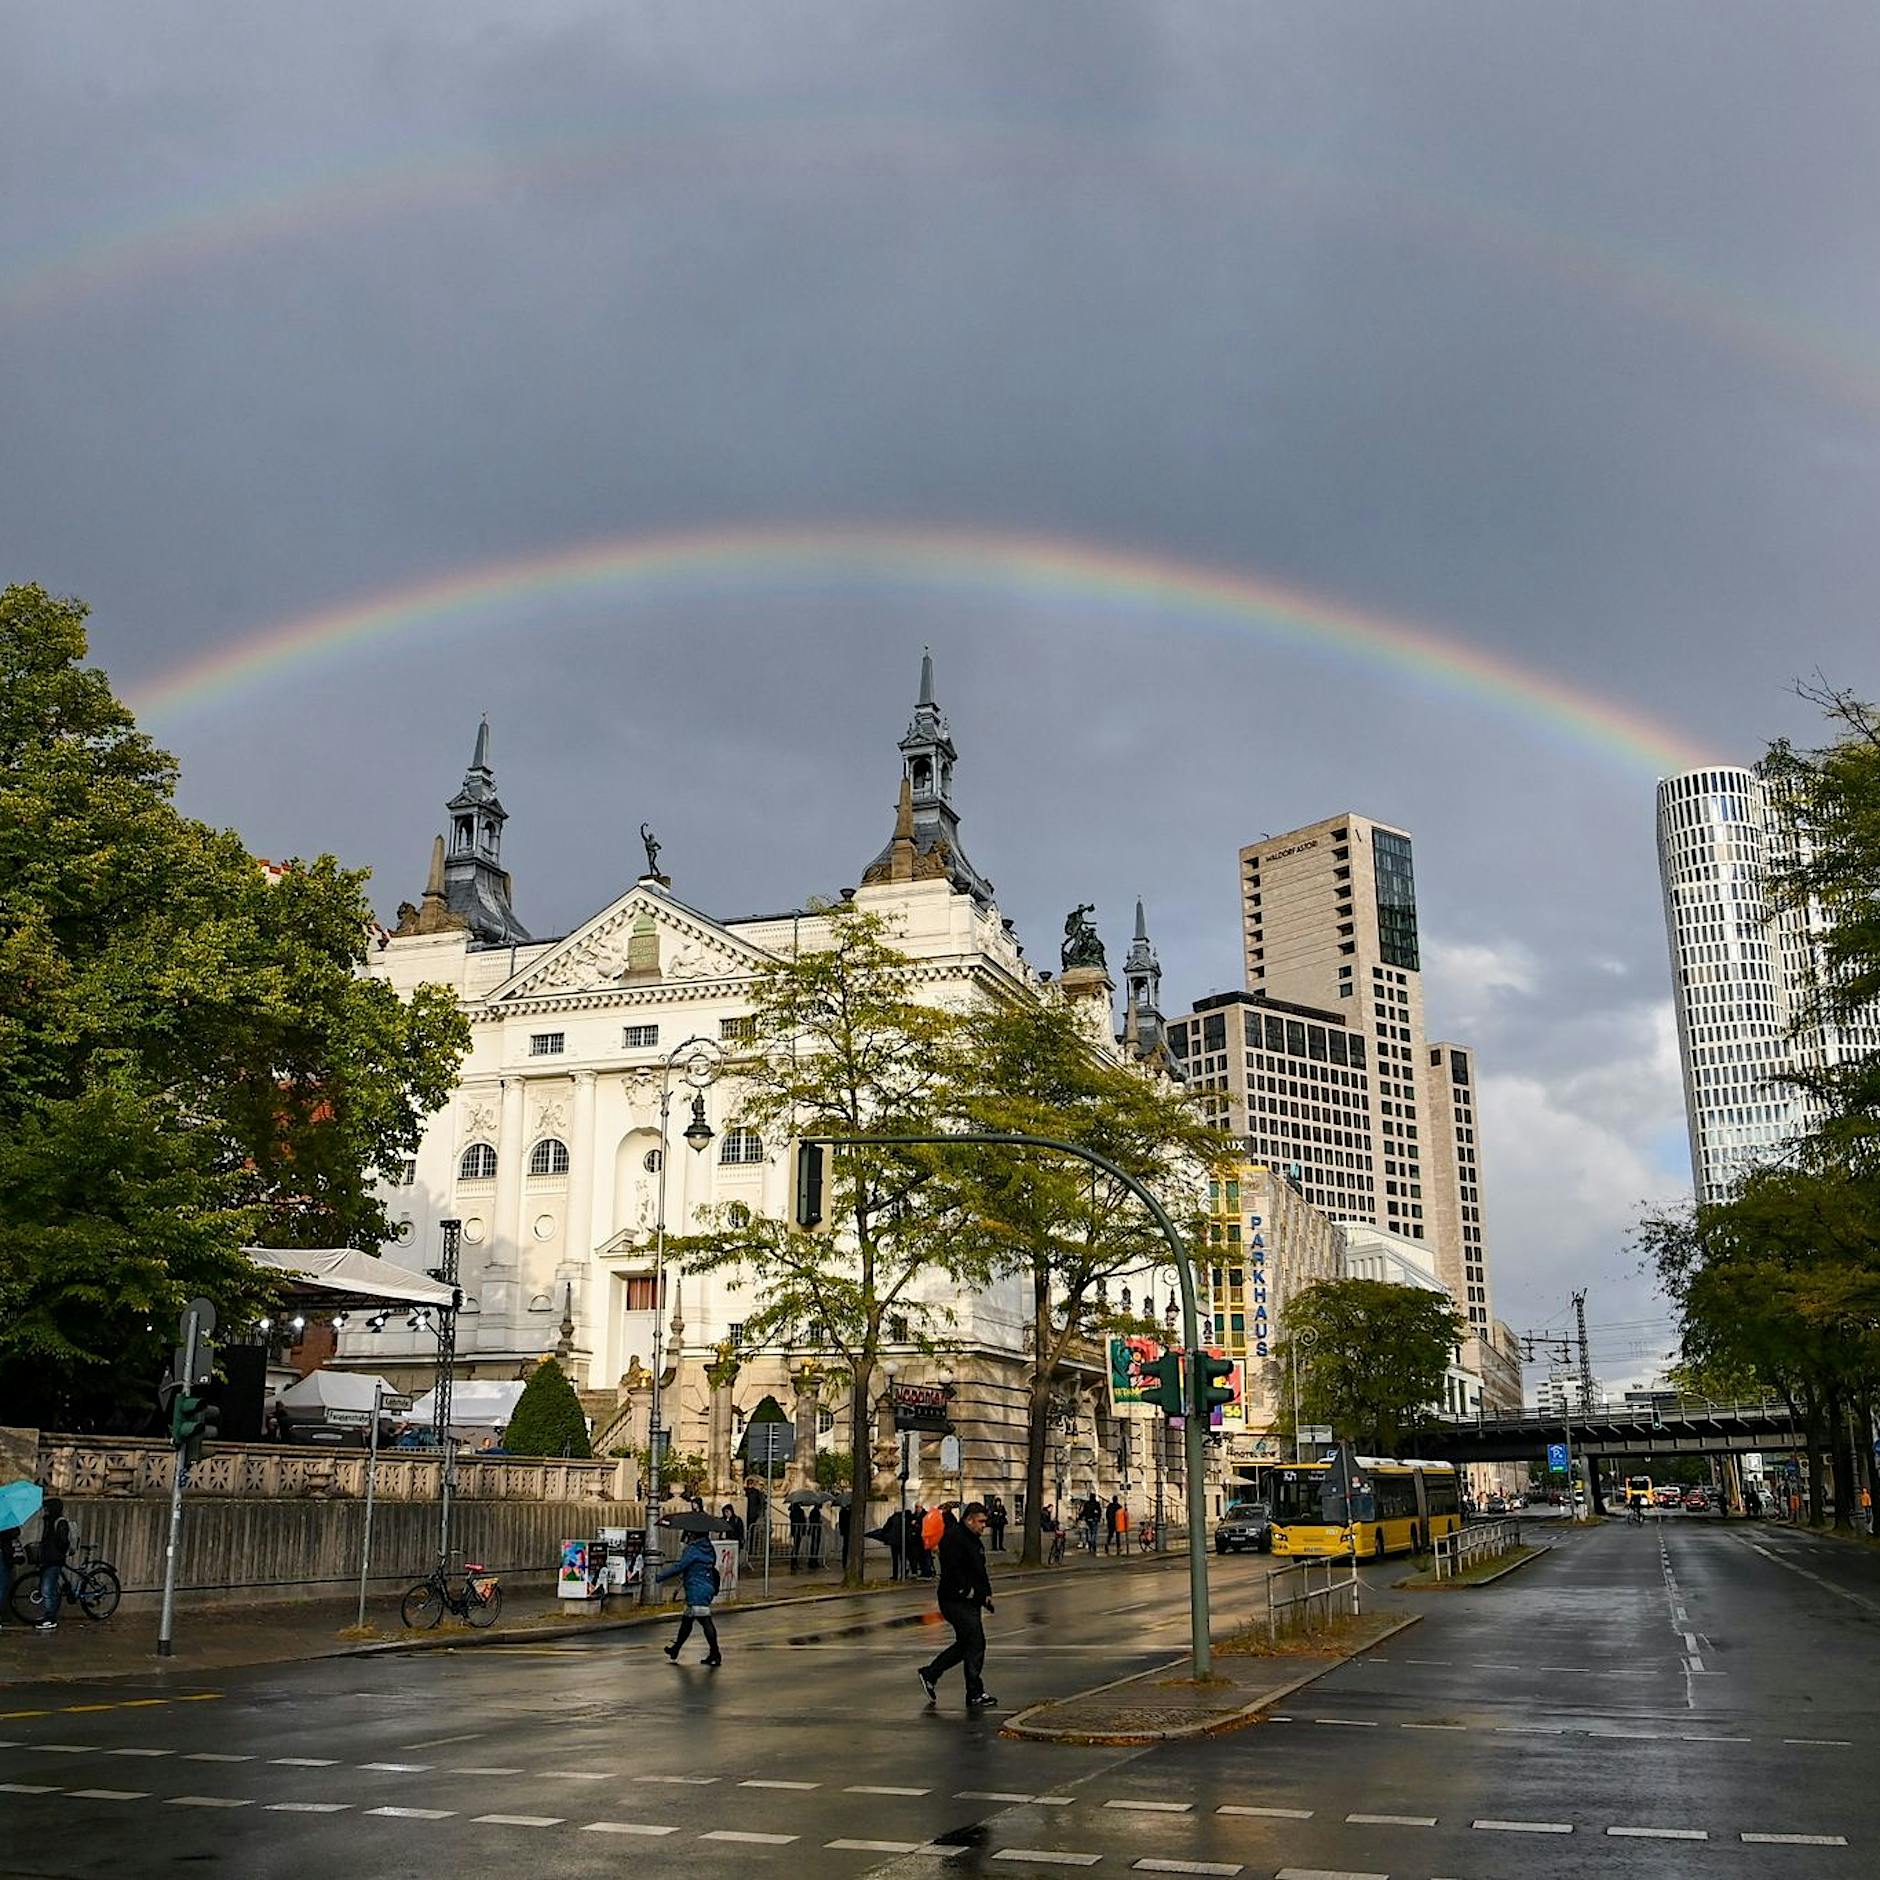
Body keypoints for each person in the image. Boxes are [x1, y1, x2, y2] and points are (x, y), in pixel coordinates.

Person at [916, 1501, 997, 1709]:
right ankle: (975, 1692)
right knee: (976, 1642)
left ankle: (931, 1673)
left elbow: (979, 1570)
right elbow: (953, 1570)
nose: (984, 1526)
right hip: (955, 1600)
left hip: (969, 1601)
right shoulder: (954, 1538)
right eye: (980, 1521)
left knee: (966, 1644)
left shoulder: (973, 1540)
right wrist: (968, 1591)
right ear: (969, 1520)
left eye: (985, 1522)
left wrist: (986, 1593)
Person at [657, 1534, 723, 1666]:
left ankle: (715, 1653)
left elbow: (680, 1566)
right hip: (707, 1585)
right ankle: (676, 1649)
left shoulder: (693, 1549)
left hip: (696, 1588)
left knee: (705, 1620)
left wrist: (660, 1576)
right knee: (687, 1621)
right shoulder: (709, 1548)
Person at [34, 1497, 73, 1631]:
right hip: (48, 1559)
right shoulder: (48, 1521)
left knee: (47, 1589)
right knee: (48, 1588)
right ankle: (49, 1615)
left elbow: (63, 1542)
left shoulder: (59, 1522)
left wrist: (55, 1553)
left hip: (54, 1560)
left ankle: (51, 1618)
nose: (45, 1511)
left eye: (47, 1509)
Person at [788, 1499, 807, 1571]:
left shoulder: (792, 1511)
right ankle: (794, 1563)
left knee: (795, 1546)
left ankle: (794, 1563)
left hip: (795, 1530)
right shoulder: (800, 1511)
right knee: (796, 1547)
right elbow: (802, 1520)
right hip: (798, 1530)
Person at [806, 1501, 825, 1568]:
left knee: (815, 1545)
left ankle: (814, 1560)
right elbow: (813, 1520)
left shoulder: (815, 1511)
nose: (822, 1505)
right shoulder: (814, 1511)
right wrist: (819, 1522)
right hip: (815, 1530)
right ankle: (812, 1561)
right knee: (814, 1546)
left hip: (815, 1530)